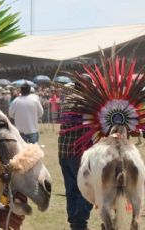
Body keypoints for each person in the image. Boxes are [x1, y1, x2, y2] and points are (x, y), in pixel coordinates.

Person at [58, 82, 93, 230]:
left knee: (71, 188)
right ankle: (79, 222)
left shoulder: (68, 100)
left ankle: (74, 220)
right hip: (77, 152)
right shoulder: (85, 103)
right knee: (87, 188)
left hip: (63, 151)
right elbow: (88, 129)